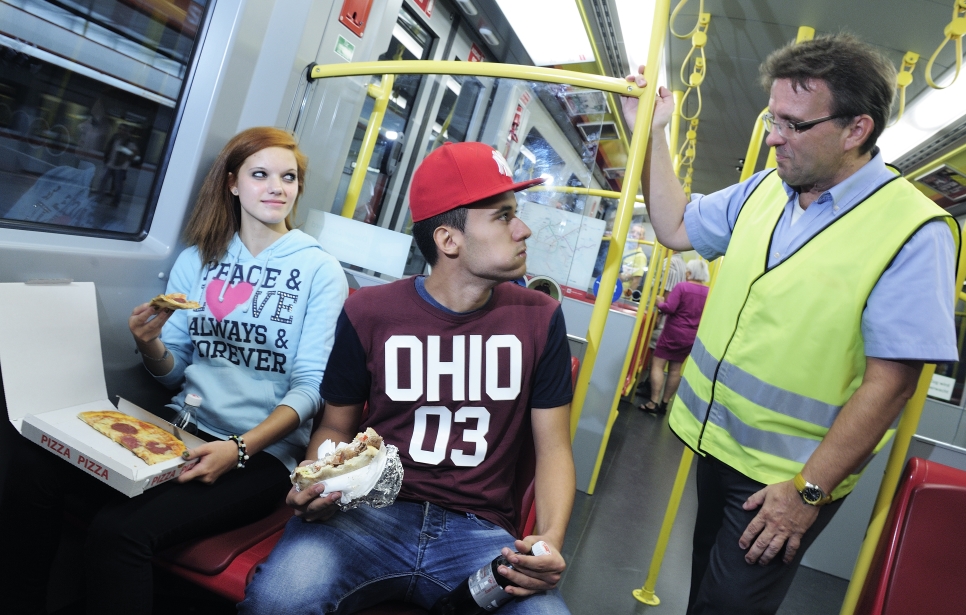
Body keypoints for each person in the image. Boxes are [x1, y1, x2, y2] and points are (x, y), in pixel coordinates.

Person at [621, 34, 959, 615]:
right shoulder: (763, 191)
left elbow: (892, 383)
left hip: (787, 480)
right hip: (716, 446)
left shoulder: (913, 231)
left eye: (794, 125)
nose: (774, 136)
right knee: (704, 589)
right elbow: (675, 225)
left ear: (857, 129)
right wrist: (652, 131)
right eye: (773, 118)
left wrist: (808, 492)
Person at [0, 126, 348, 615]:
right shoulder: (197, 260)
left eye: (288, 177)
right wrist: (149, 344)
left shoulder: (320, 271)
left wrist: (239, 447)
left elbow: (311, 388)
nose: (277, 187)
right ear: (232, 183)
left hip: (259, 456)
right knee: (32, 460)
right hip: (177, 429)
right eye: (261, 174)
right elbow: (174, 372)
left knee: (118, 533)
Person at [240, 141, 576, 615]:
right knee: (278, 601)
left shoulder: (540, 319)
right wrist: (318, 481)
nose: (522, 230)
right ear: (449, 240)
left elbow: (553, 448)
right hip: (368, 512)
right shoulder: (369, 311)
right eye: (502, 216)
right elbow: (336, 428)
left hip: (479, 533)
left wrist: (548, 542)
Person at [640, 258, 709, 415]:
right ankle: (665, 404)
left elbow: (670, 308)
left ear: (690, 273)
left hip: (672, 332)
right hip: (691, 336)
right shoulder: (708, 292)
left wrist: (659, 302)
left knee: (657, 365)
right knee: (675, 370)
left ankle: (653, 402)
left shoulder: (682, 287)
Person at [99, 123, 140, 206]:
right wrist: (106, 157)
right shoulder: (115, 137)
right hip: (110, 163)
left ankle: (115, 202)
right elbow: (109, 148)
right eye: (120, 129)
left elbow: (134, 154)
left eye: (123, 129)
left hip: (120, 166)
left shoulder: (130, 141)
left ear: (126, 131)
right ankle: (100, 197)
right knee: (103, 180)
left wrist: (124, 152)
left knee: (118, 185)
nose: (121, 130)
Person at [620, 222, 650, 292]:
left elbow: (636, 282)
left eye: (638, 234)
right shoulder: (624, 250)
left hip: (620, 296)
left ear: (642, 239)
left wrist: (626, 297)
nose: (634, 235)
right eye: (632, 232)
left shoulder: (640, 256)